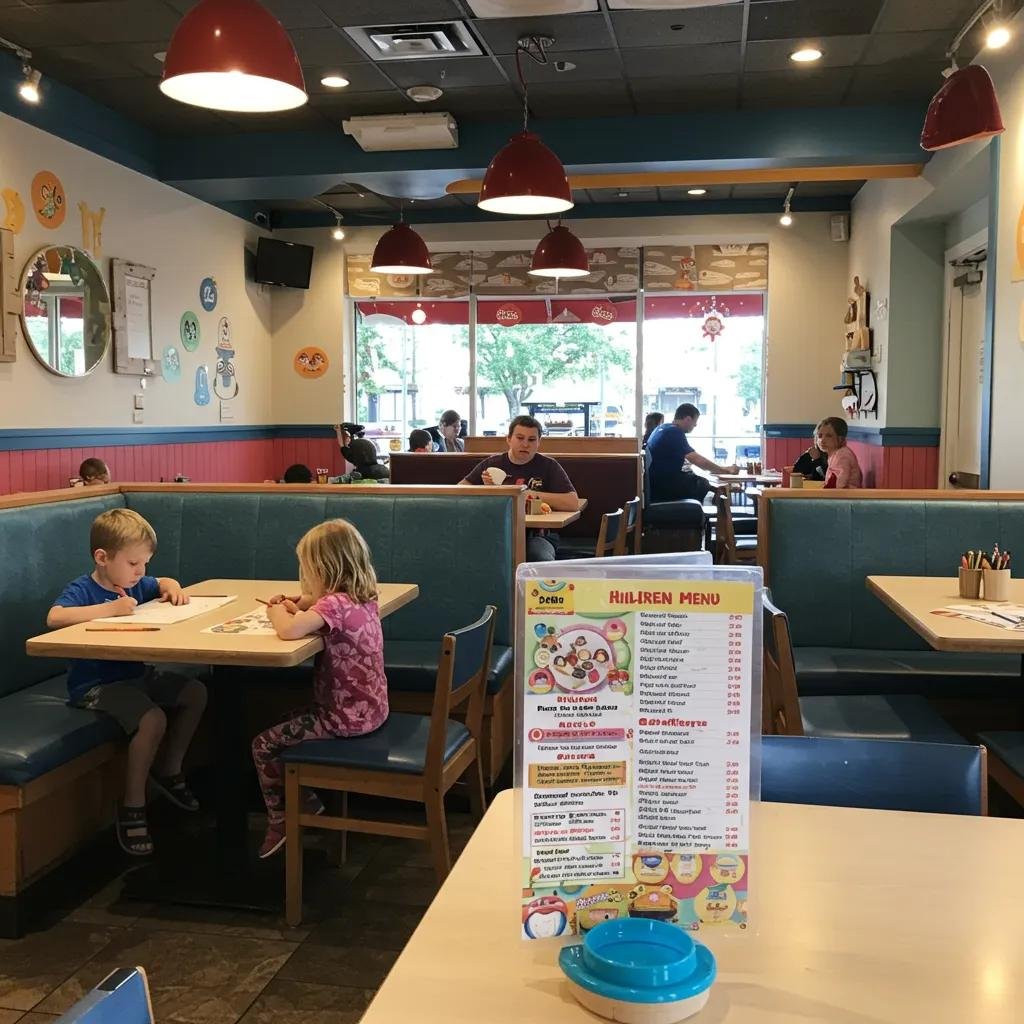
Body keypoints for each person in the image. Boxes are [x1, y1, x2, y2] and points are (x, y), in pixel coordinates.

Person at [46, 508, 206, 856]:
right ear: (102, 558)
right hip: (95, 686)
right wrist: (109, 610)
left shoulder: (135, 583)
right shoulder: (84, 590)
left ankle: (170, 768)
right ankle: (133, 805)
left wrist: (173, 587)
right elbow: (55, 617)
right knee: (154, 719)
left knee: (195, 693)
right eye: (134, 563)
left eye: (145, 563)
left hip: (137, 678)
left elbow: (161, 583)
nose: (141, 572)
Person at [252, 519, 388, 858]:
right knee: (283, 720)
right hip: (372, 710)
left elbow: (289, 632)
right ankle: (307, 801)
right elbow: (316, 604)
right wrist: (299, 601)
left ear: (323, 569)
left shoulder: (332, 606)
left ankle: (282, 818)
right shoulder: (365, 594)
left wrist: (276, 612)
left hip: (342, 720)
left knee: (263, 743)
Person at [460, 414, 579, 561]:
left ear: (539, 442)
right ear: (509, 439)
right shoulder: (491, 465)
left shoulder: (549, 466)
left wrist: (528, 494)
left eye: (531, 440)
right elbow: (458, 493)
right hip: (496, 533)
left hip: (538, 536)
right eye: (520, 438)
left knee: (537, 556)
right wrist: (487, 491)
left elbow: (572, 502)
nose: (525, 444)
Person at [646, 403, 738, 503]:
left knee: (700, 480)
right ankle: (701, 514)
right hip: (664, 487)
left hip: (655, 485)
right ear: (688, 419)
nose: (695, 425)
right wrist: (723, 470)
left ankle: (702, 511)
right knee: (703, 483)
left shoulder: (662, 428)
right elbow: (696, 459)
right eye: (695, 421)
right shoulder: (674, 432)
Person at [816, 416, 863, 488]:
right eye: (820, 435)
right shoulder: (835, 454)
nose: (822, 440)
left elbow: (840, 484)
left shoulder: (843, 455)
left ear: (841, 439)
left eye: (829, 436)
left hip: (847, 496)